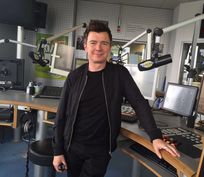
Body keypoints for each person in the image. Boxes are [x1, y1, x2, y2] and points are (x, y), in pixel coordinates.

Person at [52, 21, 180, 177]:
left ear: (109, 47)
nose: (98, 48)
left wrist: (155, 136)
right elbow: (61, 116)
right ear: (85, 46)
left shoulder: (119, 74)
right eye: (93, 42)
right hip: (72, 146)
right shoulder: (74, 76)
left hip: (100, 150)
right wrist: (58, 150)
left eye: (104, 43)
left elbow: (139, 103)